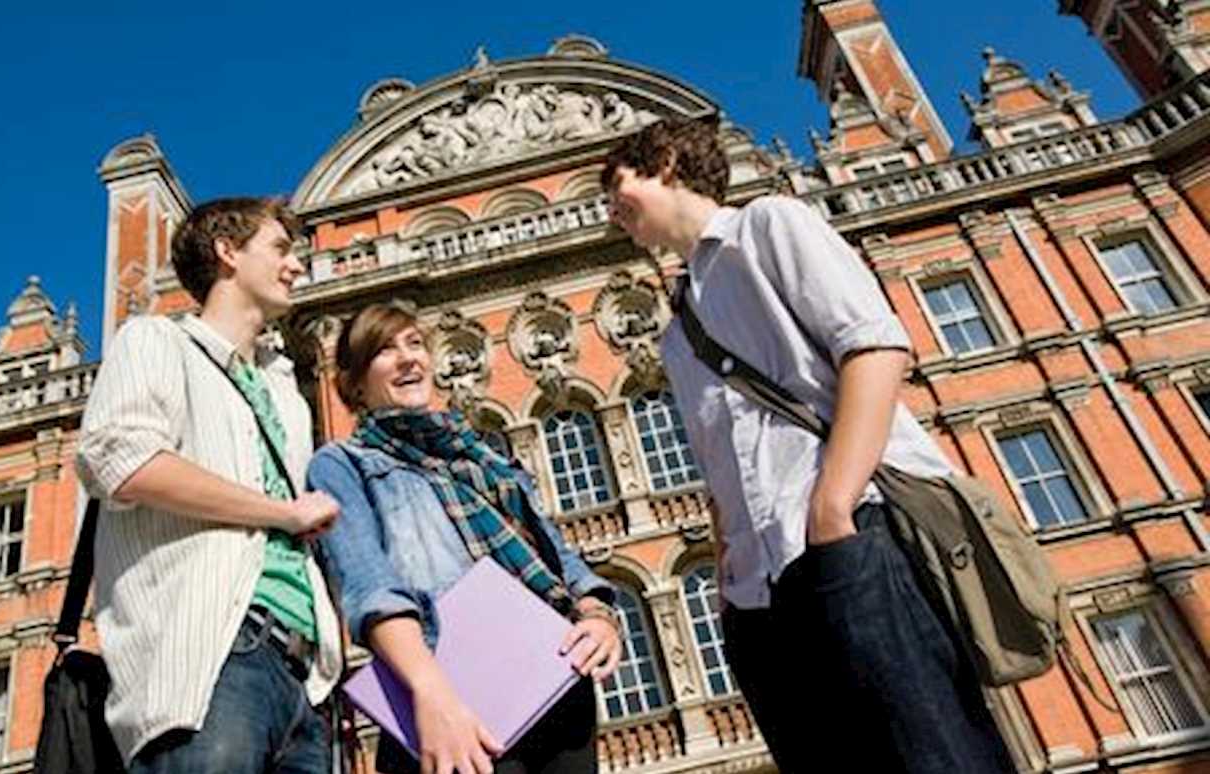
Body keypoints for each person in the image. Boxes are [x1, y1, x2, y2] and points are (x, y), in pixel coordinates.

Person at [600, 118, 1015, 773]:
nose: (610, 207)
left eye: (618, 183)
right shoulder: (677, 332)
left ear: (670, 162)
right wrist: (726, 578)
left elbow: (875, 347)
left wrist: (834, 507)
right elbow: (719, 463)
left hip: (843, 546)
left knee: (933, 756)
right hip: (757, 599)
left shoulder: (767, 226)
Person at [75, 197, 343, 773]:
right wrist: (281, 511)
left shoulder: (284, 391)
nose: (296, 265)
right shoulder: (156, 341)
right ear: (227, 253)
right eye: (280, 249)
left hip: (304, 678)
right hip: (213, 656)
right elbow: (123, 461)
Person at [310, 303, 622, 774]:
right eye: (386, 350)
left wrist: (599, 615)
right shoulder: (342, 464)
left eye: (415, 343)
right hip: (451, 698)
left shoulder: (479, 455)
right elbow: (372, 589)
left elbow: (557, 556)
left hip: (553, 680)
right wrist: (433, 696)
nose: (409, 358)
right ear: (354, 383)